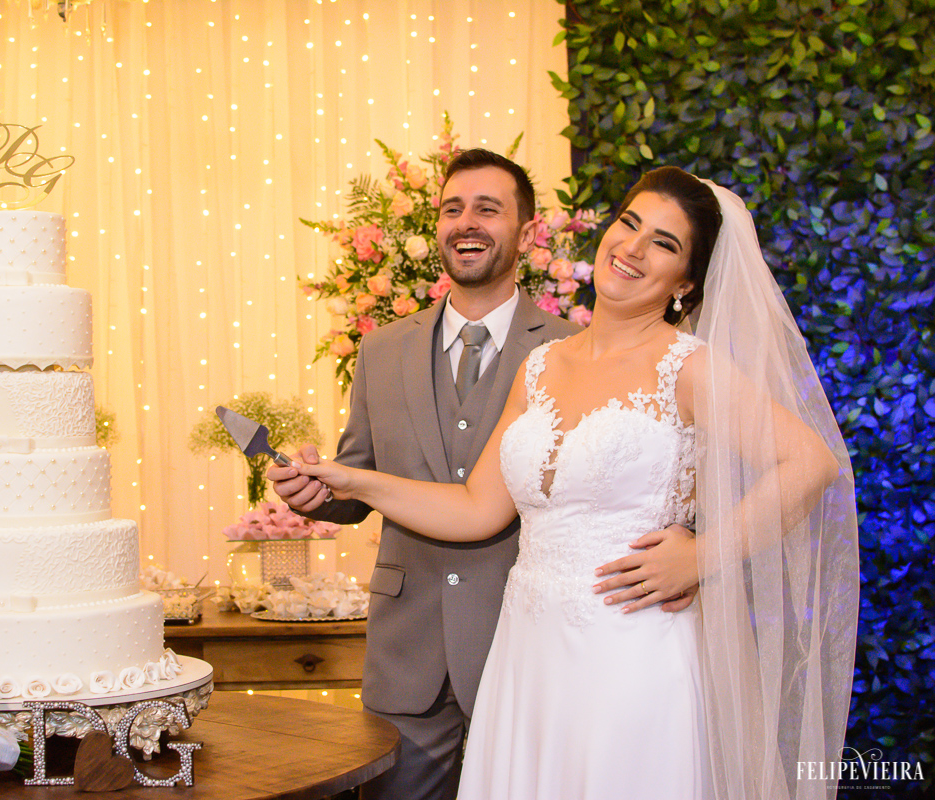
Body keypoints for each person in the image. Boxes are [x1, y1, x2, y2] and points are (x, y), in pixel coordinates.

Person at [292, 167, 859, 799]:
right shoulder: (541, 366)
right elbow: (476, 509)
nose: (633, 249)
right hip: (528, 654)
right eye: (629, 223)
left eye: (664, 244)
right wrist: (352, 480)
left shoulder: (689, 367)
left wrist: (703, 555)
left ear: (687, 282)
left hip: (632, 651)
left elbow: (811, 463)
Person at [268, 150, 702, 800]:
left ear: (527, 234)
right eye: (452, 208)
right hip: (407, 651)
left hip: (542, 648)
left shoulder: (572, 350)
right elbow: (359, 482)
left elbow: (663, 474)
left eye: (487, 209)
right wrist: (322, 492)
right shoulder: (381, 351)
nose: (466, 222)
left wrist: (699, 547)